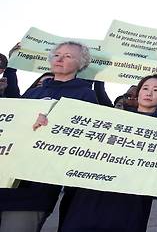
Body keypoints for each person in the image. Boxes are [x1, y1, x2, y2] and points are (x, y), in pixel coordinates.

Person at [56, 74, 157, 232]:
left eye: (156, 90)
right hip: (93, 194)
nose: (149, 93)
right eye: (145, 88)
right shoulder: (114, 118)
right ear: (138, 93)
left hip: (131, 200)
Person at [0, 41, 98, 232]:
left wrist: (52, 127)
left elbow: (82, 140)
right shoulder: (34, 92)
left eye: (68, 56)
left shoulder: (86, 95)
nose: (60, 59)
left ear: (81, 64)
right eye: (57, 54)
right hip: (7, 178)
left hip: (35, 189)